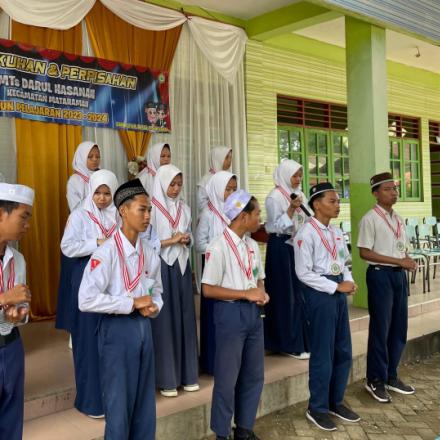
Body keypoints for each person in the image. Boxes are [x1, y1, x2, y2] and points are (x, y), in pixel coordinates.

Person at [78, 178, 163, 440]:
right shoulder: (106, 253)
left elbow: (157, 290)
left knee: (144, 403)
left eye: (149, 210)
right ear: (123, 211)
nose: (148, 216)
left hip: (143, 328)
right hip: (116, 330)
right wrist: (129, 303)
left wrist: (154, 307)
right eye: (142, 209)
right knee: (118, 404)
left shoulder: (148, 251)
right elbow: (86, 299)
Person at [202, 190, 269, 440]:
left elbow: (259, 278)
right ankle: (222, 433)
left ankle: (244, 428)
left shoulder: (252, 245)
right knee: (227, 379)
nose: (260, 218)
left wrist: (261, 292)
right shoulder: (218, 247)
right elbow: (208, 289)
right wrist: (245, 294)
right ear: (243, 216)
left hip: (253, 314)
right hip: (230, 314)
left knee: (254, 375)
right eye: (257, 214)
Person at [295, 182, 360, 432]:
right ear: (316, 204)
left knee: (343, 349)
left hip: (338, 290)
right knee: (323, 353)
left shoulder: (335, 233)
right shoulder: (306, 233)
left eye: (338, 201)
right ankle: (317, 408)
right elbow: (303, 273)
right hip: (320, 294)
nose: (337, 205)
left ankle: (336, 401)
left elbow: (343, 262)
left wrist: (349, 281)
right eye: (332, 201)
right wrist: (334, 287)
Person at [60, 169, 119, 417]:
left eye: (107, 193)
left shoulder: (117, 214)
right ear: (90, 192)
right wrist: (96, 243)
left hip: (111, 279)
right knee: (87, 341)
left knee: (109, 340)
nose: (103, 198)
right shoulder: (79, 216)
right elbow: (67, 246)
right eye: (98, 192)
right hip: (85, 276)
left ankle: (112, 398)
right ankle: (91, 401)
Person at [358, 172, 417, 403]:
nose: (394, 192)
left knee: (398, 328)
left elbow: (401, 247)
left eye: (394, 188)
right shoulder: (369, 219)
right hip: (380, 276)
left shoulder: (398, 219)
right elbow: (364, 252)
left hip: (398, 277)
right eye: (387, 189)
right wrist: (399, 261)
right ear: (375, 193)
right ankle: (375, 379)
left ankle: (391, 375)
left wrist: (407, 259)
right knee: (381, 329)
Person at [150, 164, 199, 397]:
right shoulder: (150, 210)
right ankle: (168, 378)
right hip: (161, 267)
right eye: (172, 184)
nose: (176, 188)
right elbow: (145, 244)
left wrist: (186, 239)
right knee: (165, 320)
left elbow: (191, 238)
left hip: (181, 266)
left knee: (185, 318)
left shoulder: (185, 209)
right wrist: (171, 240)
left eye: (179, 184)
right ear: (161, 182)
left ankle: (188, 374)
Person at [264, 159, 310, 359]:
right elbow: (276, 227)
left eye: (300, 175)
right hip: (281, 247)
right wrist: (291, 209)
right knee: (285, 295)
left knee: (299, 294)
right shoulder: (274, 197)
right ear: (284, 175)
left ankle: (300, 339)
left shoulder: (300, 193)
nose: (298, 179)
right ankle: (286, 343)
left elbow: (308, 218)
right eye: (294, 175)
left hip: (297, 247)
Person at [195, 171, 238, 375]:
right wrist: (220, 250)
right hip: (214, 268)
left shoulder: (236, 211)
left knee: (232, 315)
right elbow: (199, 244)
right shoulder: (208, 214)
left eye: (234, 189)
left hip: (234, 268)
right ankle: (213, 362)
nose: (231, 193)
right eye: (227, 189)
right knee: (214, 316)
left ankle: (233, 362)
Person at [0, 182, 34, 440]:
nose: (27, 225)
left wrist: (19, 315)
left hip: (11, 346)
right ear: (2, 214)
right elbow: (10, 297)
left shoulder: (18, 260)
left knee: (12, 421)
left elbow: (21, 307)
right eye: (23, 217)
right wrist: (4, 298)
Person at [66, 141, 101, 212]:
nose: (95, 159)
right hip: (83, 221)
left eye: (97, 157)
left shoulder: (102, 176)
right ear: (81, 157)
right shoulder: (74, 180)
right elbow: (75, 209)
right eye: (90, 157)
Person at [197, 146, 233, 211]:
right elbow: (201, 202)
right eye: (227, 157)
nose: (230, 161)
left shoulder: (231, 178)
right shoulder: (207, 179)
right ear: (218, 158)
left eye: (230, 157)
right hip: (211, 218)